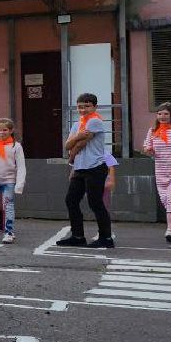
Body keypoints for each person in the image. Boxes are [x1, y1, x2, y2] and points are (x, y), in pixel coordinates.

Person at [58, 93, 114, 249]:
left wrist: (75, 141)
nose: (83, 109)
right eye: (80, 106)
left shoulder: (95, 121)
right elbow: (67, 146)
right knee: (71, 200)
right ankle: (77, 236)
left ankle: (106, 237)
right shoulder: (77, 125)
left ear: (94, 107)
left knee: (95, 202)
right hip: (80, 167)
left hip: (95, 167)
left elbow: (80, 145)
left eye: (87, 106)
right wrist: (77, 137)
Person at [141, 101, 171, 243]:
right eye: (159, 113)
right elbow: (147, 147)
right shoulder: (153, 131)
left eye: (165, 114)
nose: (162, 116)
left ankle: (170, 229)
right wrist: (148, 150)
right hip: (161, 172)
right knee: (166, 201)